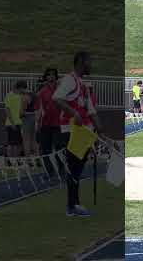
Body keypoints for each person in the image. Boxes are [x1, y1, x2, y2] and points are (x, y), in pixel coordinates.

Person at [53, 51, 107, 217]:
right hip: (70, 131)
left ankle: (74, 204)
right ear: (81, 62)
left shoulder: (83, 85)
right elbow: (57, 98)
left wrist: (100, 130)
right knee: (73, 169)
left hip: (83, 133)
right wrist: (73, 113)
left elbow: (91, 110)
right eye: (89, 61)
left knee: (78, 169)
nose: (91, 65)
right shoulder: (70, 80)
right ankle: (72, 205)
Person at [35, 68, 63, 179]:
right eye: (48, 75)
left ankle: (61, 170)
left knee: (58, 148)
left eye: (53, 75)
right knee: (45, 150)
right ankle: (50, 172)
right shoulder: (42, 92)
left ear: (56, 77)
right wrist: (37, 123)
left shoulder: (61, 90)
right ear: (45, 77)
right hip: (45, 124)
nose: (51, 77)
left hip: (58, 124)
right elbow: (39, 108)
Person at [4, 80, 27, 157]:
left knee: (18, 143)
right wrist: (12, 123)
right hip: (12, 123)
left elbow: (22, 111)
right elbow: (7, 110)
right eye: (24, 88)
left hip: (19, 123)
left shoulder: (21, 96)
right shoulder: (9, 95)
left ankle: (15, 160)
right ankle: (11, 161)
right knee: (11, 144)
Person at [21, 87, 38, 157]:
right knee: (34, 139)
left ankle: (27, 158)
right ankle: (36, 156)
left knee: (26, 139)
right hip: (34, 117)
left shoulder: (25, 97)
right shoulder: (35, 96)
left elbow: (22, 112)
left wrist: (20, 114)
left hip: (27, 118)